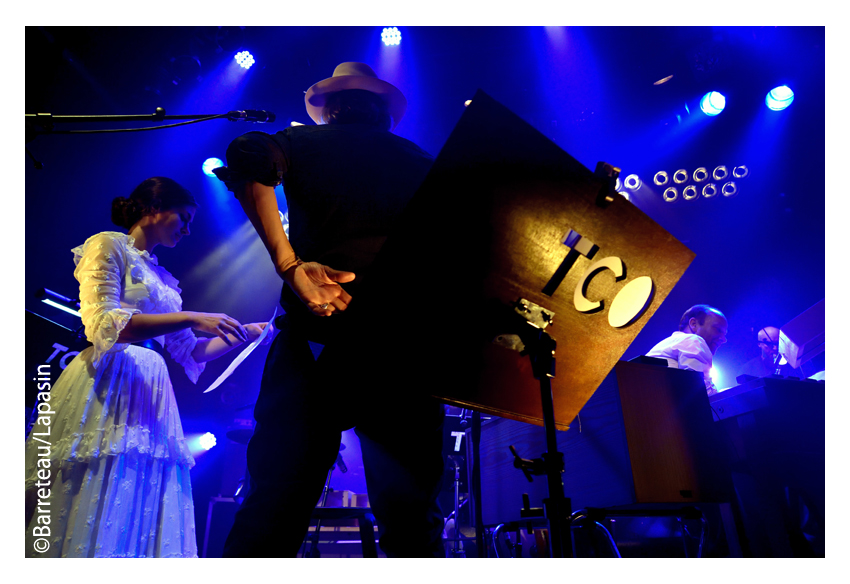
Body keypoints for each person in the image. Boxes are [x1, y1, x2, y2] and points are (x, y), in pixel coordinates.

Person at [212, 62, 446, 557]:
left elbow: (247, 151)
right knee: (412, 518)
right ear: (384, 113)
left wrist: (290, 265)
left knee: (274, 505)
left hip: (317, 343)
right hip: (405, 353)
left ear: (331, 110)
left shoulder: (303, 144)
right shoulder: (424, 160)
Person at [24, 177, 271, 558]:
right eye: (184, 218)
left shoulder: (165, 280)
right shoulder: (108, 245)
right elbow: (106, 325)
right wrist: (191, 316)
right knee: (95, 473)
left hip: (150, 387)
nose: (188, 229)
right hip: (112, 375)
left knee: (134, 484)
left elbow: (192, 352)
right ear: (154, 209)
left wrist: (243, 334)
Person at [646, 304, 728, 396]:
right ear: (693, 324)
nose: (723, 339)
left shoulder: (669, 344)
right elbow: (699, 393)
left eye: (724, 334)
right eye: (718, 329)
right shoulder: (694, 340)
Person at [739, 326, 807, 379]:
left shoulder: (791, 365)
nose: (775, 348)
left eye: (777, 343)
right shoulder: (747, 369)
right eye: (769, 344)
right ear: (759, 344)